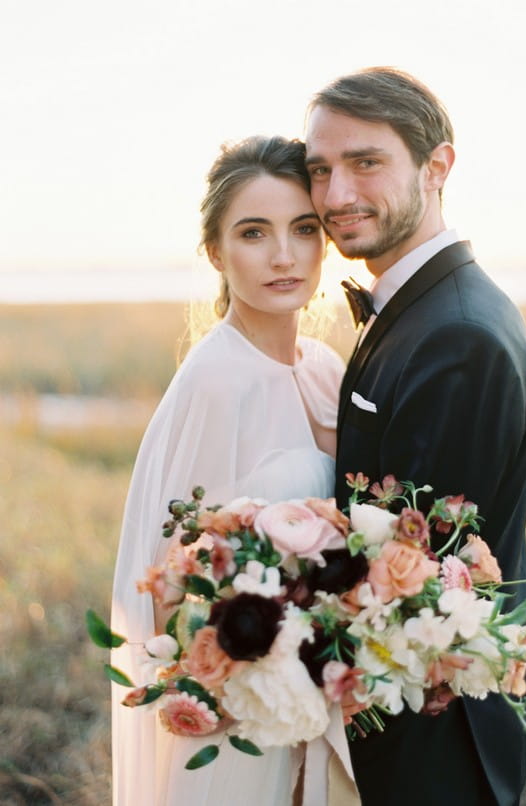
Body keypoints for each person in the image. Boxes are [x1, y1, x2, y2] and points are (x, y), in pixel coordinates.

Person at [305, 67, 526, 806]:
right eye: (320, 170)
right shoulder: (421, 310)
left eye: (365, 162)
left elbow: (414, 578)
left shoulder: (460, 338)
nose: (336, 195)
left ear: (437, 166)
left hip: (432, 745)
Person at [110, 135, 359, 806]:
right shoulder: (216, 380)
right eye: (255, 233)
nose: (284, 255)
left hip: (322, 709)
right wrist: (229, 686)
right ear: (217, 252)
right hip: (241, 724)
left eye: (303, 229)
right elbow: (164, 586)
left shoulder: (326, 368)